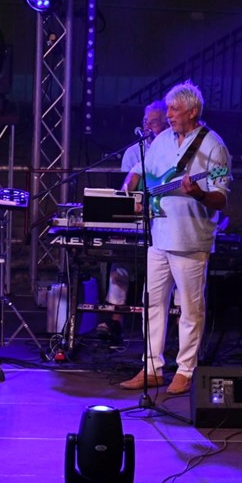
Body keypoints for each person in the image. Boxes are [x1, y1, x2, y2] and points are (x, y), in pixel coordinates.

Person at [119, 81, 232, 395]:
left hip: (191, 241)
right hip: (159, 237)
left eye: (174, 109)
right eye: (168, 109)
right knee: (152, 304)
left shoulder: (213, 146)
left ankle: (185, 371)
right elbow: (143, 171)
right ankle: (152, 367)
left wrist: (197, 193)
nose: (168, 115)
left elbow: (221, 198)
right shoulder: (162, 140)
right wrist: (134, 189)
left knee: (190, 310)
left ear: (192, 111)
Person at [96, 100, 167, 340]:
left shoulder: (173, 148)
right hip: (137, 218)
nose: (148, 126)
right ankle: (115, 320)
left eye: (154, 122)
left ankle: (173, 327)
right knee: (120, 258)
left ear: (166, 125)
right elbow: (130, 181)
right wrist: (130, 195)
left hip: (166, 219)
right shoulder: (134, 152)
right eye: (146, 121)